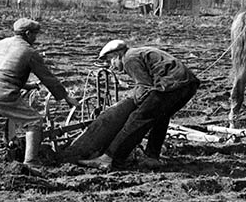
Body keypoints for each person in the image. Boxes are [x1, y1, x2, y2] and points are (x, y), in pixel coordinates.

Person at [0, 17, 79, 168]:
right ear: (27, 33)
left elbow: (3, 72)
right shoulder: (29, 52)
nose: (35, 38)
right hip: (2, 95)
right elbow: (48, 78)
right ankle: (31, 163)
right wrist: (66, 97)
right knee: (35, 121)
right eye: (35, 34)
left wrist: (27, 86)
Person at [78, 40, 200, 171]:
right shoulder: (137, 53)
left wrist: (129, 105)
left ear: (118, 54)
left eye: (110, 61)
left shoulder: (129, 58)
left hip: (170, 85)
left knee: (137, 119)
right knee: (161, 117)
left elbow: (144, 86)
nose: (111, 66)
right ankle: (151, 157)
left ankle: (109, 159)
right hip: (188, 85)